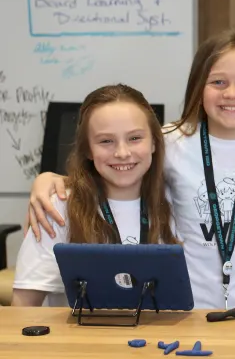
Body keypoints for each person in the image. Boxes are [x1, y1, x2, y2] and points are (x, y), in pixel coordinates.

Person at [24, 31, 235, 310]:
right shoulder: (170, 140)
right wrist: (49, 181)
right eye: (218, 82)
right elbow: (119, 163)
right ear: (198, 86)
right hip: (191, 316)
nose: (232, 94)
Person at [12, 84, 177, 307]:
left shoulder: (176, 201)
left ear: (155, 142)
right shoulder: (57, 208)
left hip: (162, 340)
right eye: (106, 141)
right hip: (80, 341)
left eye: (135, 138)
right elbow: (23, 309)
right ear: (88, 149)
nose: (122, 153)